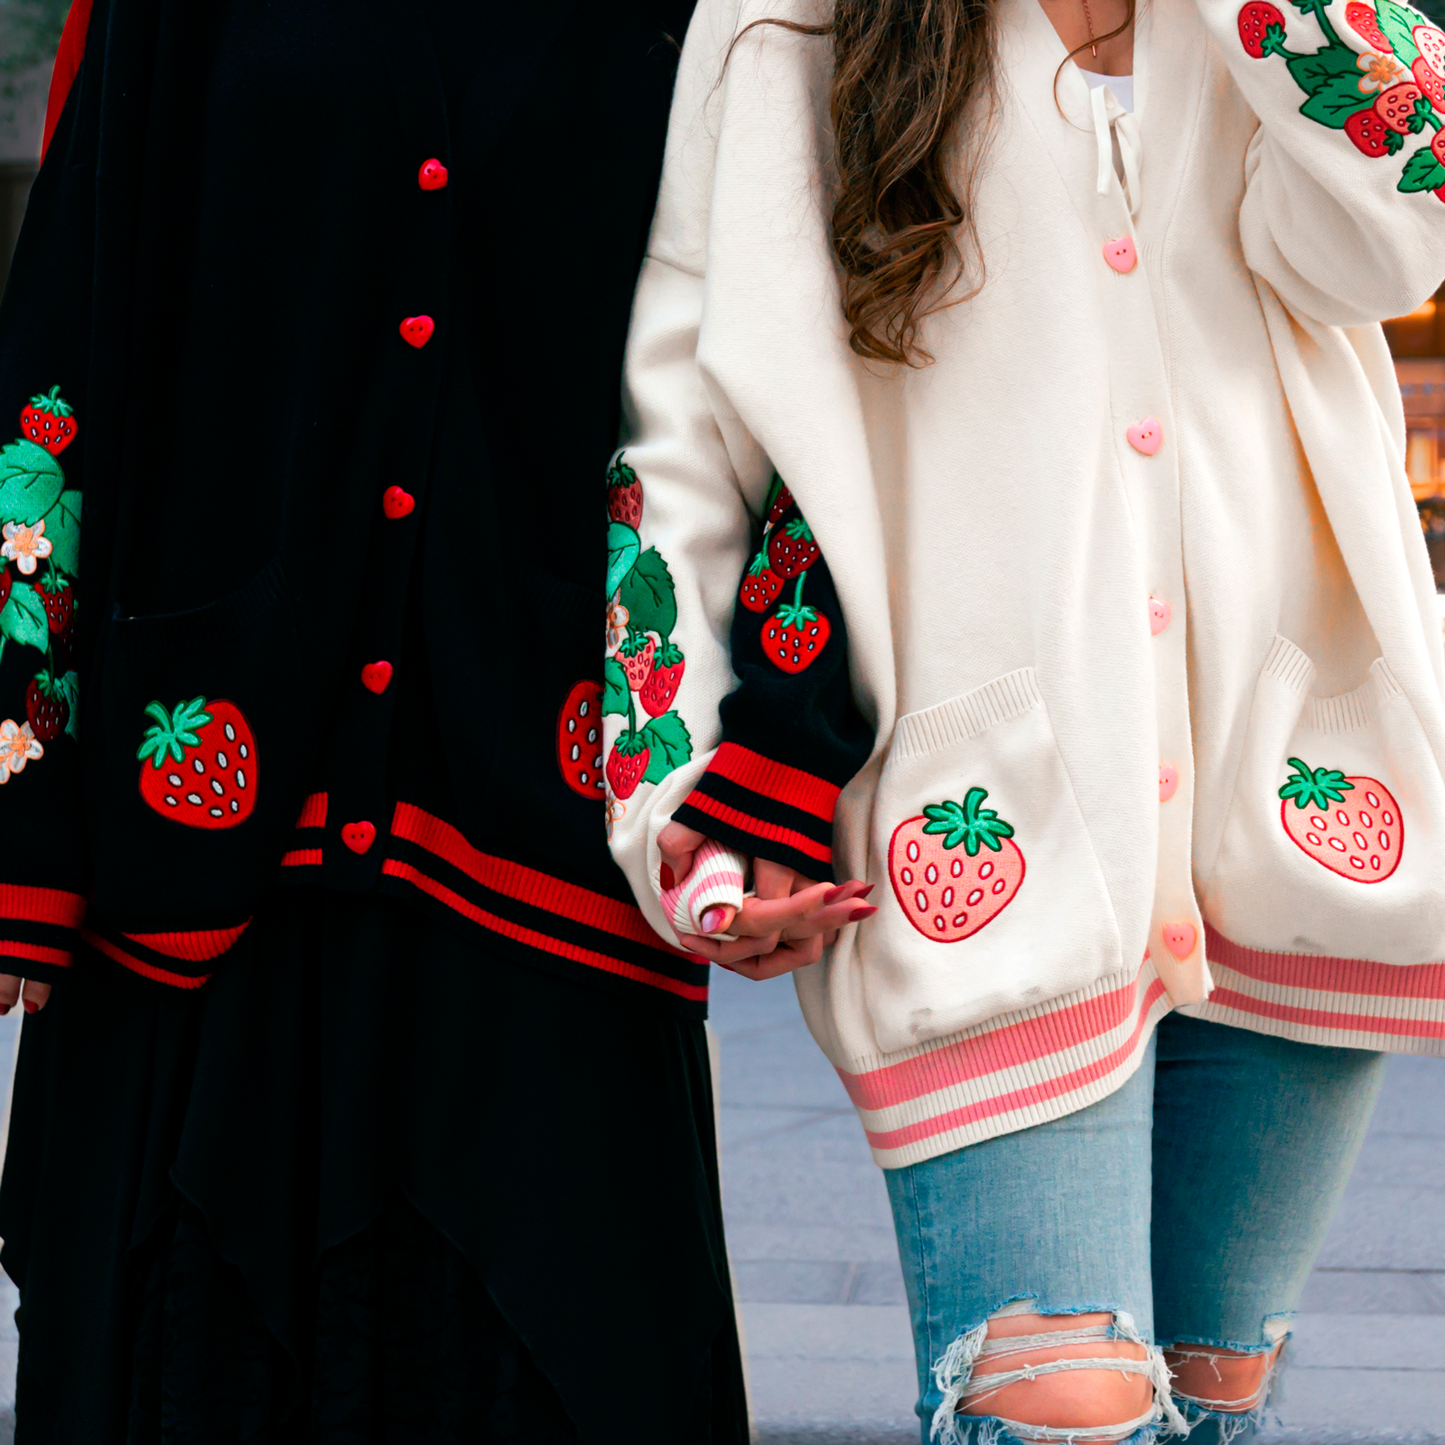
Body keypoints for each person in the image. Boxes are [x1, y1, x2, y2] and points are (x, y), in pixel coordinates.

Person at [605, 0, 1445, 1438]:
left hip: (1295, 801)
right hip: (985, 835)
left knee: (1217, 1398)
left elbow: (1394, 237)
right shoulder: (787, 24)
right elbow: (683, 430)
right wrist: (668, 794)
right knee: (1064, 1405)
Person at [0, 1, 781, 1438]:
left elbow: (798, 394)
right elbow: (60, 358)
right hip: (204, 876)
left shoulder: (707, 14)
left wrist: (778, 769)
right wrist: (19, 822)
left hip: (547, 864)